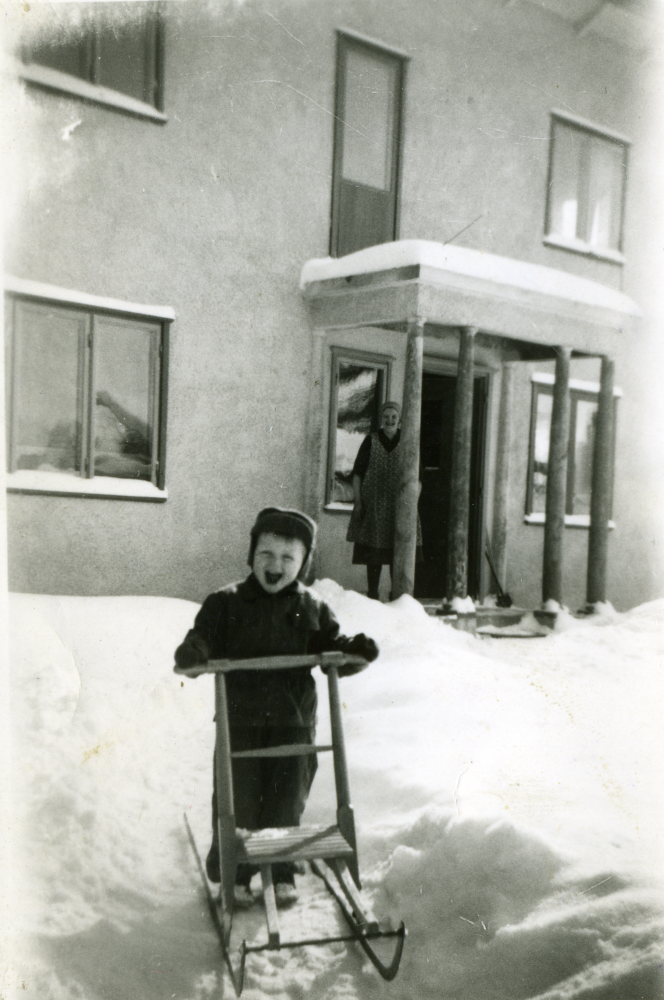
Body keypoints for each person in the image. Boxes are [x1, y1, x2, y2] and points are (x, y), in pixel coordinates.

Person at [174, 507, 379, 907]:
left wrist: (352, 650)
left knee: (286, 798)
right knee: (239, 799)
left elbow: (330, 648)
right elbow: (203, 638)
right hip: (240, 721)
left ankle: (282, 868)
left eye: (288, 558)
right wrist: (195, 651)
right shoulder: (225, 603)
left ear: (303, 564)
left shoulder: (310, 606)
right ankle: (235, 871)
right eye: (266, 554)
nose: (275, 566)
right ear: (251, 554)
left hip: (293, 720)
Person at [346, 401, 421, 600]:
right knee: (374, 554)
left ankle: (398, 597)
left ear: (400, 420)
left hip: (399, 507)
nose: (390, 420)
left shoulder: (407, 441)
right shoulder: (371, 441)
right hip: (375, 506)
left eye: (393, 417)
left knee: (399, 552)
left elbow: (418, 479)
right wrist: (359, 502)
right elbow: (357, 475)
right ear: (381, 419)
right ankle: (373, 595)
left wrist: (412, 505)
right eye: (386, 416)